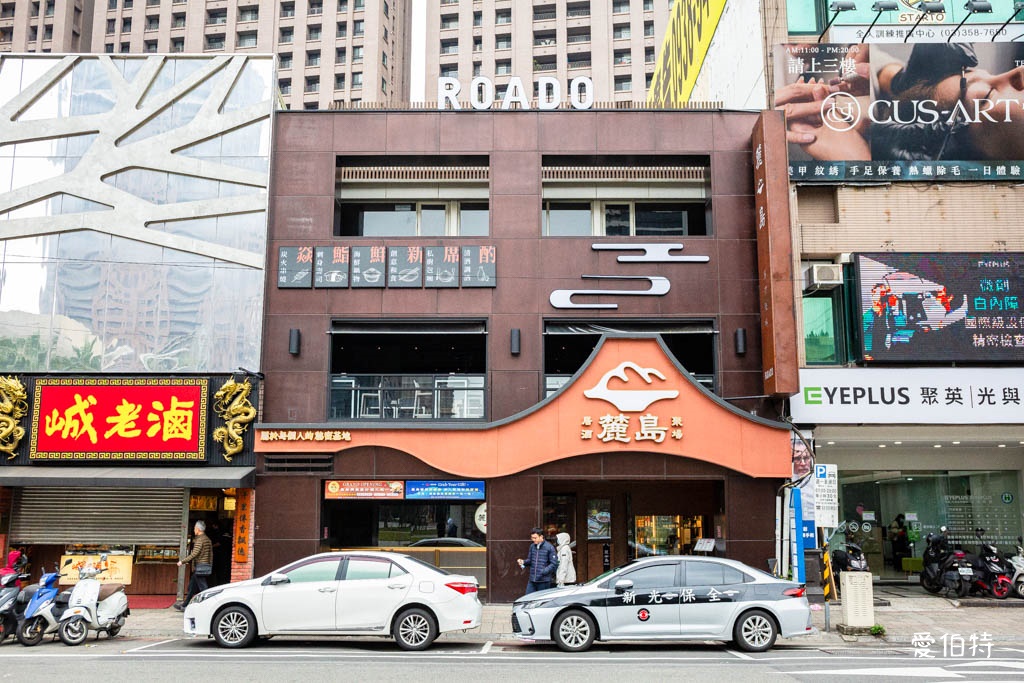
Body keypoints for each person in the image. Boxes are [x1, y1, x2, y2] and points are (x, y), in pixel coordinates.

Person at [175, 520, 213, 611]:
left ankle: (209, 605)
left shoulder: (200, 540)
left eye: (195, 528)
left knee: (204, 588)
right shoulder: (207, 539)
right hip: (204, 565)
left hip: (200, 566)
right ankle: (184, 605)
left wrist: (182, 561)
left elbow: (194, 554)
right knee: (192, 587)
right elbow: (211, 554)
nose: (194, 530)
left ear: (198, 529)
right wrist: (209, 564)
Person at [517, 527, 558, 594]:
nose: (533, 540)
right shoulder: (532, 546)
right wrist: (523, 562)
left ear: (541, 536)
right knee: (528, 598)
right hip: (532, 579)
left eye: (535, 538)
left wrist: (544, 571)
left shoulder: (549, 547)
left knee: (541, 601)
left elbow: (554, 563)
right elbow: (530, 560)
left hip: (544, 580)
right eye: (532, 537)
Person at [792, 434, 815, 521]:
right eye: (797, 459)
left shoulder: (817, 481)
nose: (803, 463)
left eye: (806, 458)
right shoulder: (787, 482)